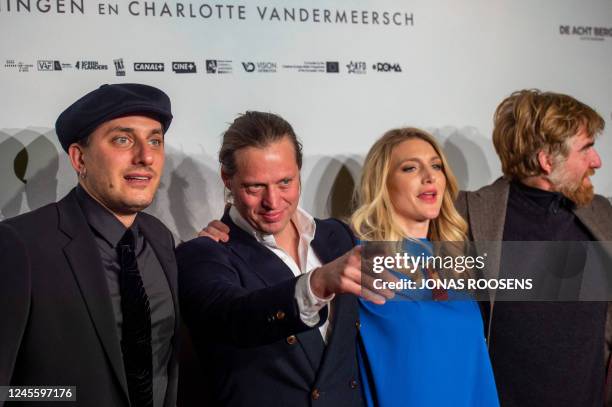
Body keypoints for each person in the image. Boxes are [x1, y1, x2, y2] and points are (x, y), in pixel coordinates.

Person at [177, 111, 390, 406]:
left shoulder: (337, 236)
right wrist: (316, 284)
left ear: (299, 171)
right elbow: (232, 317)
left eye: (285, 182)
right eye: (255, 187)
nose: (273, 202)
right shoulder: (204, 253)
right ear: (227, 179)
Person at [0, 83, 179, 407]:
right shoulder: (20, 245)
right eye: (123, 140)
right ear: (79, 158)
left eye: (155, 140)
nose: (146, 156)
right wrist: (63, 398)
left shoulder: (160, 238)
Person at [455, 89, 612, 407]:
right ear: (545, 161)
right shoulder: (468, 215)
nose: (596, 161)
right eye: (586, 149)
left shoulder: (602, 212)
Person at [351, 127, 499, 406]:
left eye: (436, 166)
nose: (430, 176)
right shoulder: (363, 264)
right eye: (410, 168)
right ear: (383, 184)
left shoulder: (457, 263)